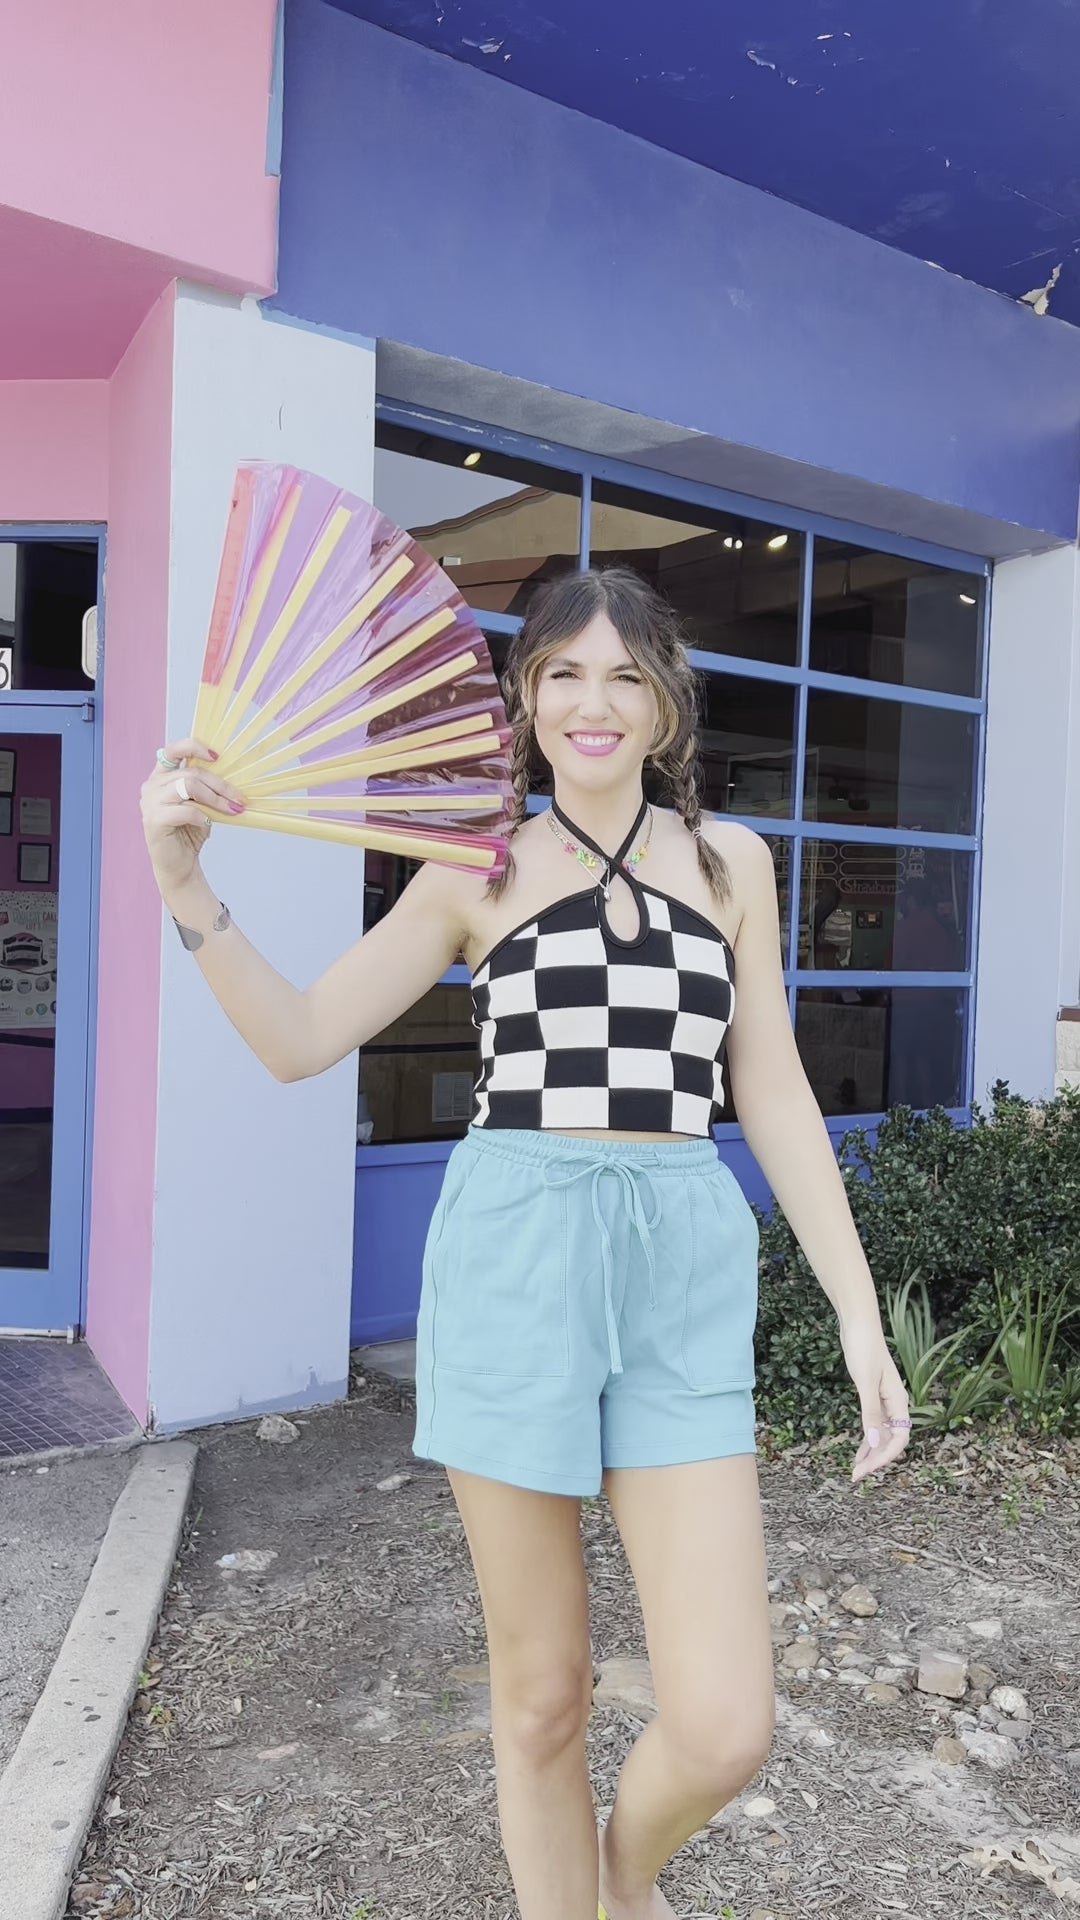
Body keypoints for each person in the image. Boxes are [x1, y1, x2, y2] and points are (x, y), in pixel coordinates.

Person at [141, 567, 910, 1920]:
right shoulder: (474, 868)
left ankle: (620, 1878)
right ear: (526, 699)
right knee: (544, 1696)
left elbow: (774, 1088)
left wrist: (857, 1311)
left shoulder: (731, 864)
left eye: (624, 676)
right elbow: (300, 1039)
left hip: (680, 1268)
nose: (592, 703)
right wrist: (183, 877)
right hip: (516, 1262)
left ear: (666, 703)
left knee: (725, 1726)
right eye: (564, 674)